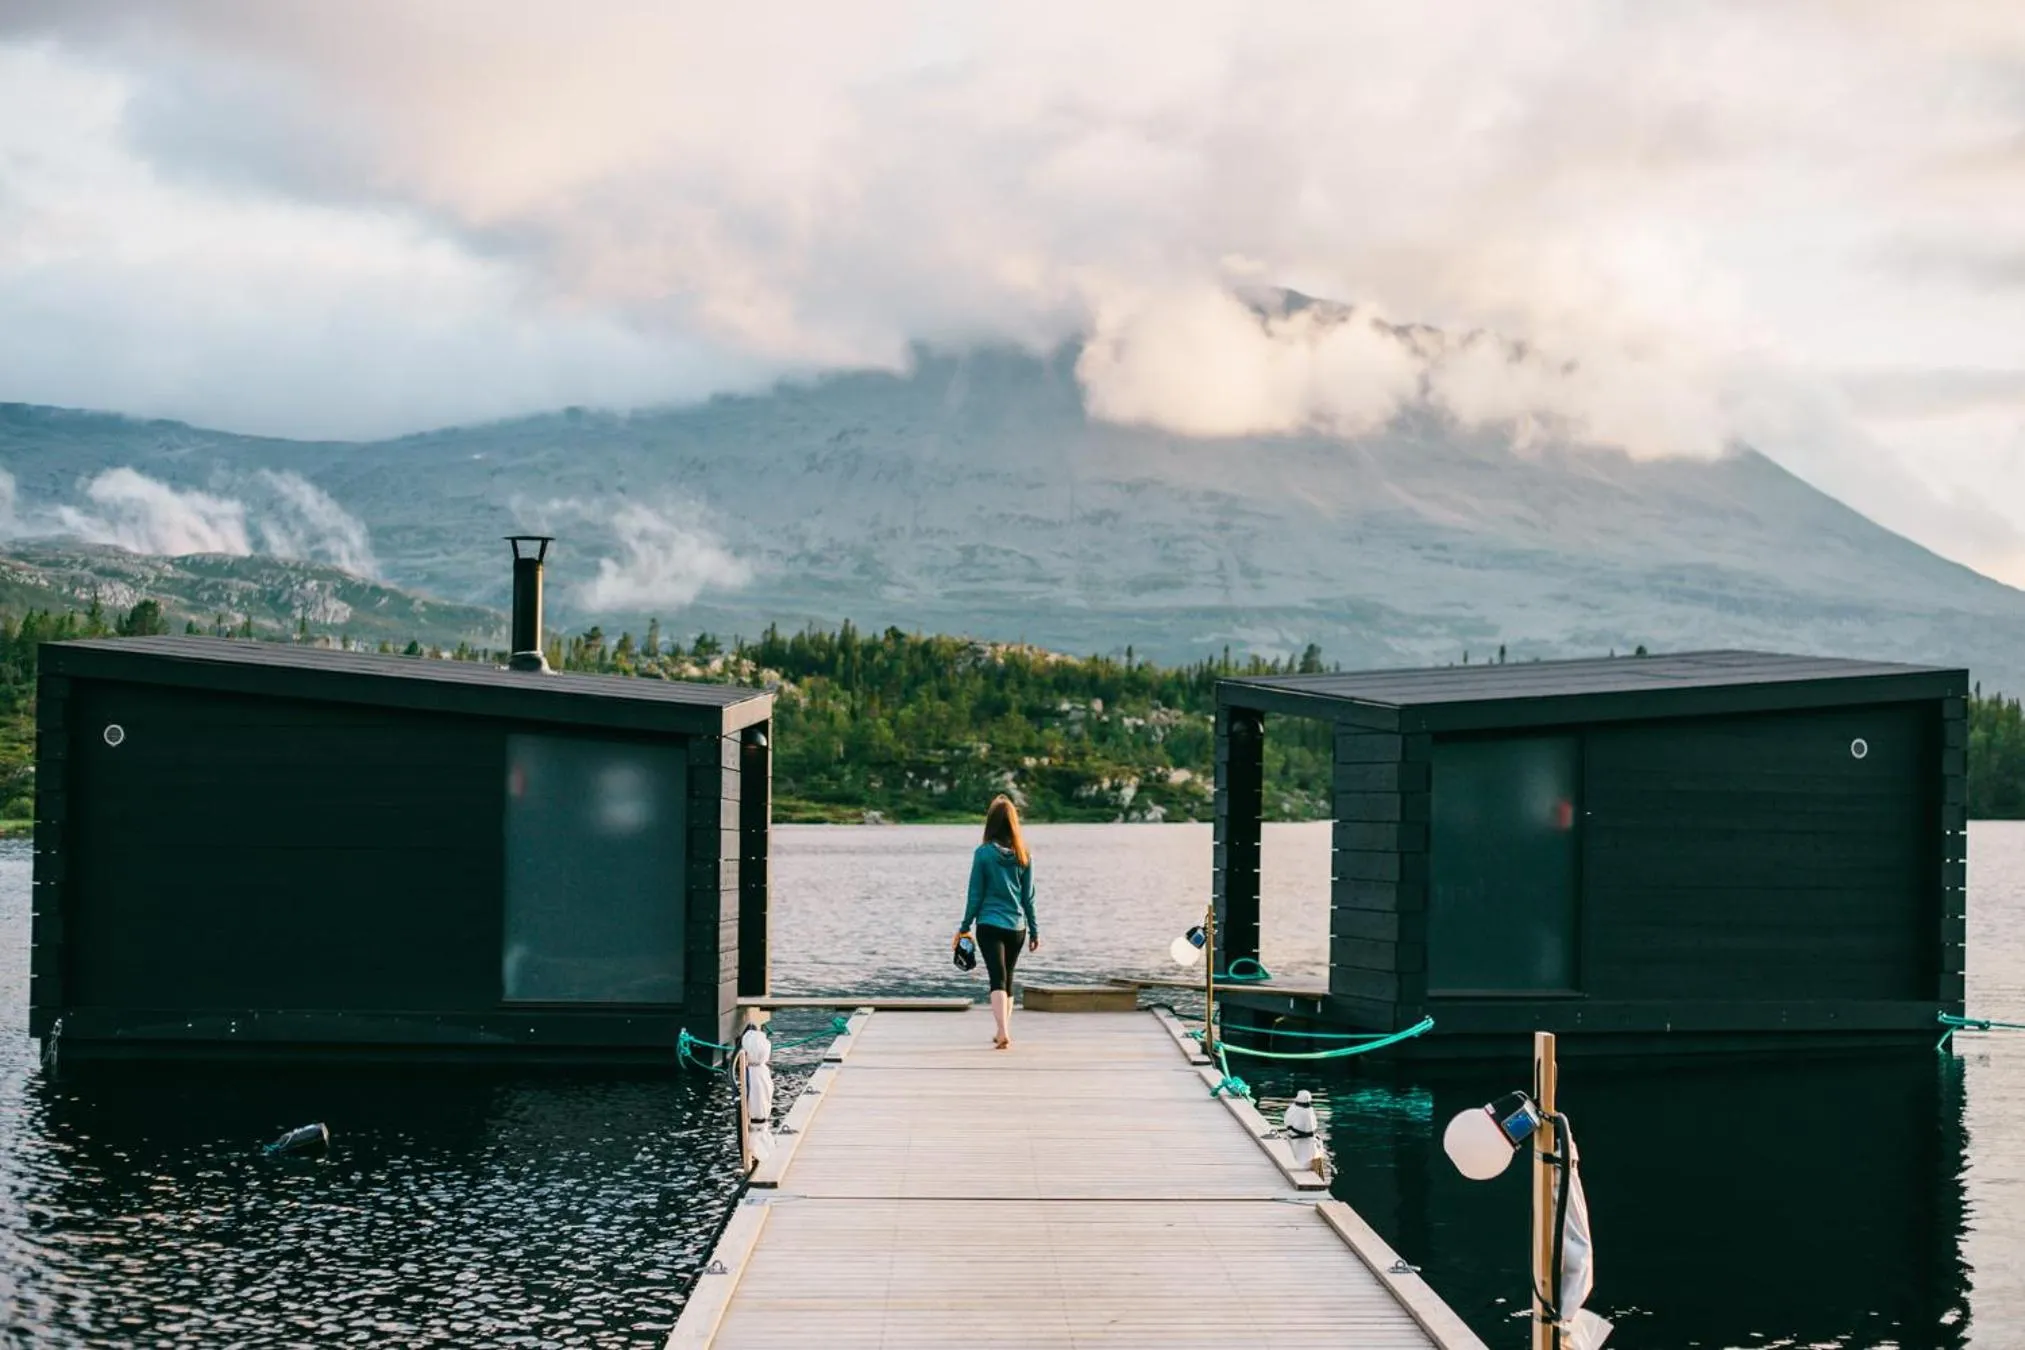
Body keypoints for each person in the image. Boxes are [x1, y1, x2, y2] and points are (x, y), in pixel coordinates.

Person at [957, 794, 1039, 1049]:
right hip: (1017, 927)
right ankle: (1003, 1029)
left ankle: (1002, 1030)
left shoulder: (982, 854)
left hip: (989, 925)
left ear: (990, 823)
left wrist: (964, 926)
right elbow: (1029, 898)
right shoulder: (1024, 855)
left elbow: (975, 894)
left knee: (997, 977)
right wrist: (1035, 930)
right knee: (1008, 977)